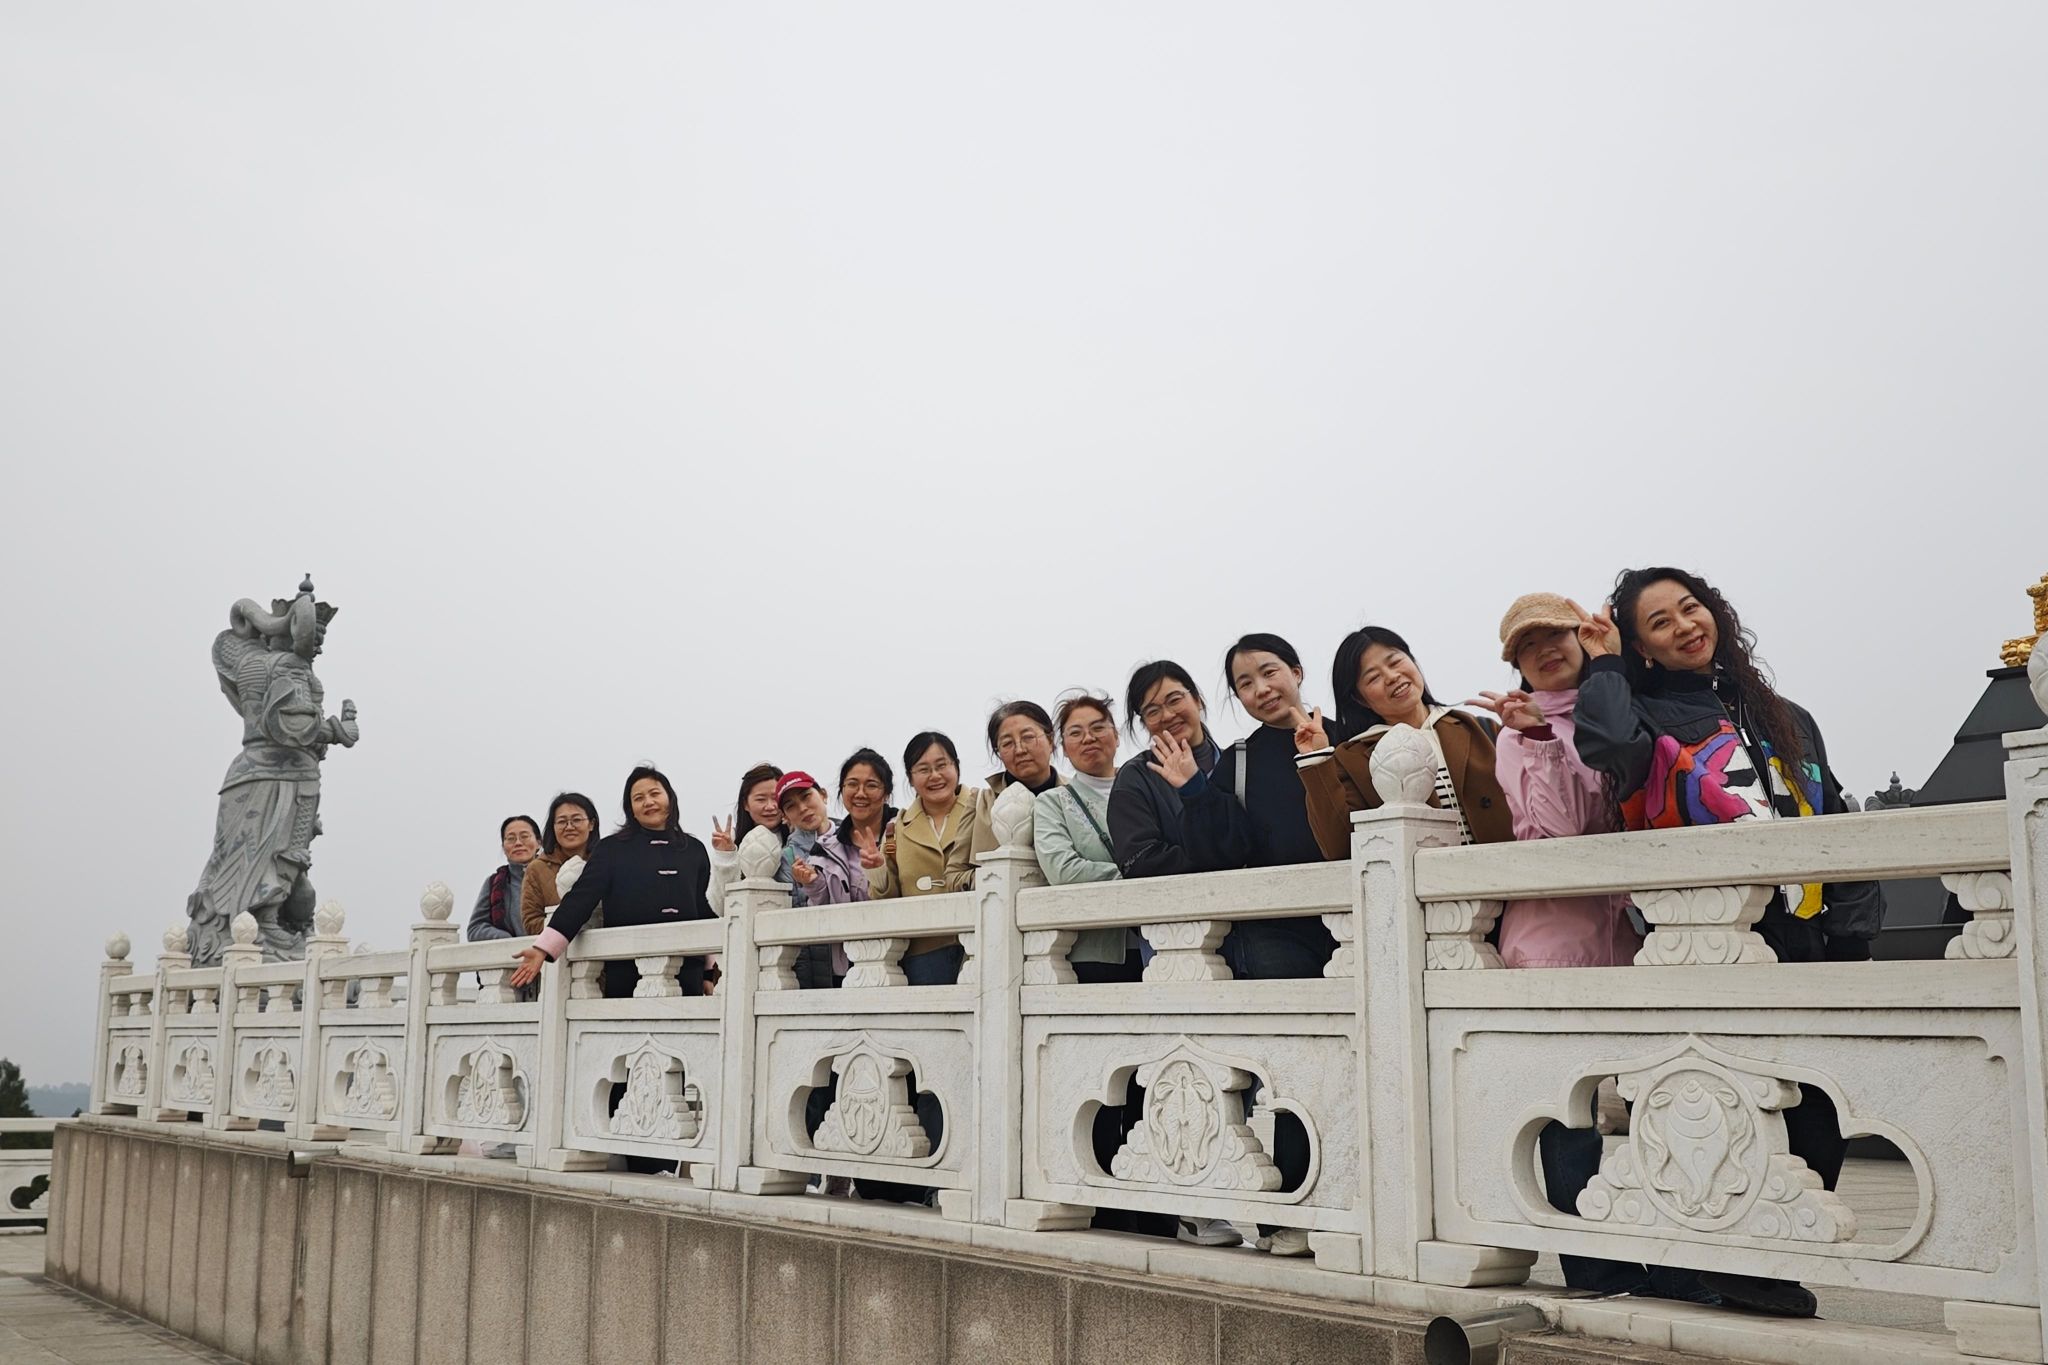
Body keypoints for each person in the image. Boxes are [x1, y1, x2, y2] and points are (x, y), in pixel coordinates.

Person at [1571, 567, 1882, 1318]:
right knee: (1728, 1102)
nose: (1685, 625)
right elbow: (1605, 743)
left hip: (1807, 933)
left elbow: (1834, 817)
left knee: (1821, 1104)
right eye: (1659, 622)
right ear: (1641, 647)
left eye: (1691, 608)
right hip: (1712, 939)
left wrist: (1850, 933)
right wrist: (1604, 664)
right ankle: (1736, 1265)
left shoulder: (1785, 715)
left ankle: (1774, 1254)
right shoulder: (1644, 717)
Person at [1468, 594, 1696, 1302]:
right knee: (1570, 1112)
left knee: (1656, 1101)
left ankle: (1676, 1262)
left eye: (1554, 636)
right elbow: (1567, 826)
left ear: (1582, 638)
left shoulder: (1616, 705)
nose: (1544, 651)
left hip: (1627, 933)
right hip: (1553, 939)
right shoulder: (1517, 733)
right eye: (1526, 646)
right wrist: (1540, 736)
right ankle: (1597, 1270)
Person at [859, 732, 983, 1205]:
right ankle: (935, 1175)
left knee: (978, 1062)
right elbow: (889, 895)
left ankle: (973, 1173)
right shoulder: (898, 827)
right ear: (911, 777)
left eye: (942, 764)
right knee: (933, 1066)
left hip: (977, 949)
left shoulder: (982, 805)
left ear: (956, 766)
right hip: (925, 956)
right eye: (923, 769)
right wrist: (877, 869)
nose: (935, 775)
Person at [1294, 626, 1511, 859]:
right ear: (1360, 699)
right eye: (1373, 677)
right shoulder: (1352, 759)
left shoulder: (1481, 730)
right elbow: (1339, 848)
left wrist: (1527, 732)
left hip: (1509, 873)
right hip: (1428, 881)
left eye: (1395, 661)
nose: (1391, 677)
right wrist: (1316, 760)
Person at [509, 766, 715, 1000]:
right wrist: (543, 947)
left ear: (670, 798)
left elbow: (701, 908)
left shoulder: (694, 849)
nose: (648, 802)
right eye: (638, 798)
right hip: (629, 972)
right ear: (631, 810)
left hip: (687, 971)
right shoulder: (612, 849)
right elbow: (581, 899)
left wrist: (708, 972)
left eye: (655, 794)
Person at [1214, 633, 1342, 978]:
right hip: (1275, 928)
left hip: (1354, 908)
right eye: (1246, 684)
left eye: (1269, 672)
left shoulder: (1346, 737)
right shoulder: (1236, 763)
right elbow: (1221, 850)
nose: (1262, 689)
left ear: (1296, 672)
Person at [1108, 661, 1251, 879]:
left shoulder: (1238, 764)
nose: (1167, 715)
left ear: (1197, 699)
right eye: (1152, 711)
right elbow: (1139, 861)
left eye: (1174, 700)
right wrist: (1218, 855)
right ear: (1144, 723)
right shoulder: (1135, 778)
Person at [774, 771, 881, 989]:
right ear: (785, 817)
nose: (802, 808)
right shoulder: (786, 858)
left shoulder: (856, 835)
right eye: (791, 806)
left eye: (806, 797)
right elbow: (793, 918)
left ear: (823, 795)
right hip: (821, 966)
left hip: (870, 950)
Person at [971, 701, 1064, 859]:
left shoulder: (1077, 796)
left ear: (1050, 741)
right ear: (998, 752)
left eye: (1028, 737)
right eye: (1007, 743)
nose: (1020, 750)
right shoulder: (980, 804)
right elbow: (956, 870)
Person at [520, 793, 602, 936]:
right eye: (562, 821)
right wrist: (562, 926)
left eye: (576, 820)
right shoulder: (537, 868)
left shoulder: (605, 860)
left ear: (591, 824)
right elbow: (531, 922)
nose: (569, 827)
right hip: (558, 947)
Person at [707, 763, 783, 916]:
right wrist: (726, 856)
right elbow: (720, 907)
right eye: (761, 799)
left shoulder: (799, 839)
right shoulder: (732, 841)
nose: (770, 806)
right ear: (745, 804)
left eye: (776, 798)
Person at [831, 748, 898, 892]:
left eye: (871, 785)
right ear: (841, 789)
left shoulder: (907, 834)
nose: (860, 793)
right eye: (852, 784)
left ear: (886, 794)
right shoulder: (826, 849)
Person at [466, 816, 539, 942]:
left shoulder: (554, 875)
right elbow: (475, 929)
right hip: (513, 953)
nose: (518, 843)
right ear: (503, 847)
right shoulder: (495, 883)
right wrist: (505, 939)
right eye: (510, 839)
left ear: (539, 842)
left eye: (524, 836)